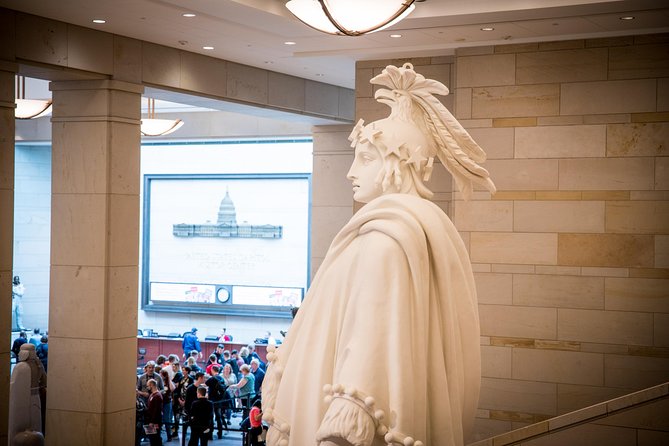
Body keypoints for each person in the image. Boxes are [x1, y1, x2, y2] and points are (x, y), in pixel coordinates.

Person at [262, 64, 494, 446]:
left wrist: (343, 427)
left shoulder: (385, 239)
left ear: (399, 166)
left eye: (367, 159)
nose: (351, 172)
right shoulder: (428, 227)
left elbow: (367, 348)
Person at [204, 365, 226, 438]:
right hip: (219, 400)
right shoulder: (221, 378)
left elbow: (205, 385)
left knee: (211, 417)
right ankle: (220, 433)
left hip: (211, 400)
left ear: (213, 370)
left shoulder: (212, 379)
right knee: (218, 417)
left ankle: (210, 434)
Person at [146, 378, 163, 446]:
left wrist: (152, 422)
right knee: (152, 438)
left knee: (155, 438)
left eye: (148, 385)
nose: (147, 387)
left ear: (151, 385)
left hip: (154, 421)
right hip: (151, 420)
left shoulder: (157, 396)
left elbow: (156, 410)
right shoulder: (152, 394)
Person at [159, 368, 174, 442]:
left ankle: (169, 436)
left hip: (167, 402)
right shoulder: (159, 382)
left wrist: (169, 380)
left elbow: (172, 388)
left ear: (164, 376)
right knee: (160, 419)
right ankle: (159, 437)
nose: (160, 376)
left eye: (161, 375)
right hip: (160, 402)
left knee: (167, 419)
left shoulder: (168, 382)